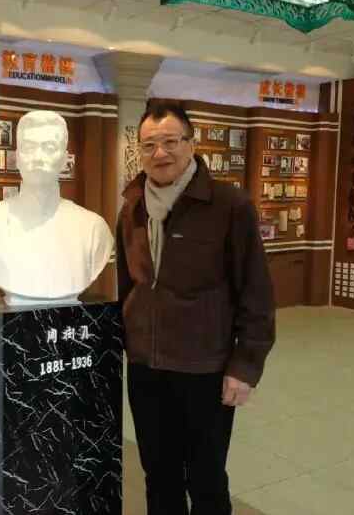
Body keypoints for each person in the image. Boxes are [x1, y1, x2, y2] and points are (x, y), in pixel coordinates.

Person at [116, 101, 275, 515]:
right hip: (147, 369)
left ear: (191, 143)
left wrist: (245, 366)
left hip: (204, 368)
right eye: (149, 145)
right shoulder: (132, 208)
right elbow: (127, 287)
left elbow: (256, 292)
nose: (160, 153)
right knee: (158, 474)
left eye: (170, 141)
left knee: (206, 477)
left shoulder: (229, 206)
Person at [0, 110, 113, 305]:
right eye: (29, 147)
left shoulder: (93, 229)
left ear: (65, 160)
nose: (38, 157)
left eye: (49, 147)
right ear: (17, 158)